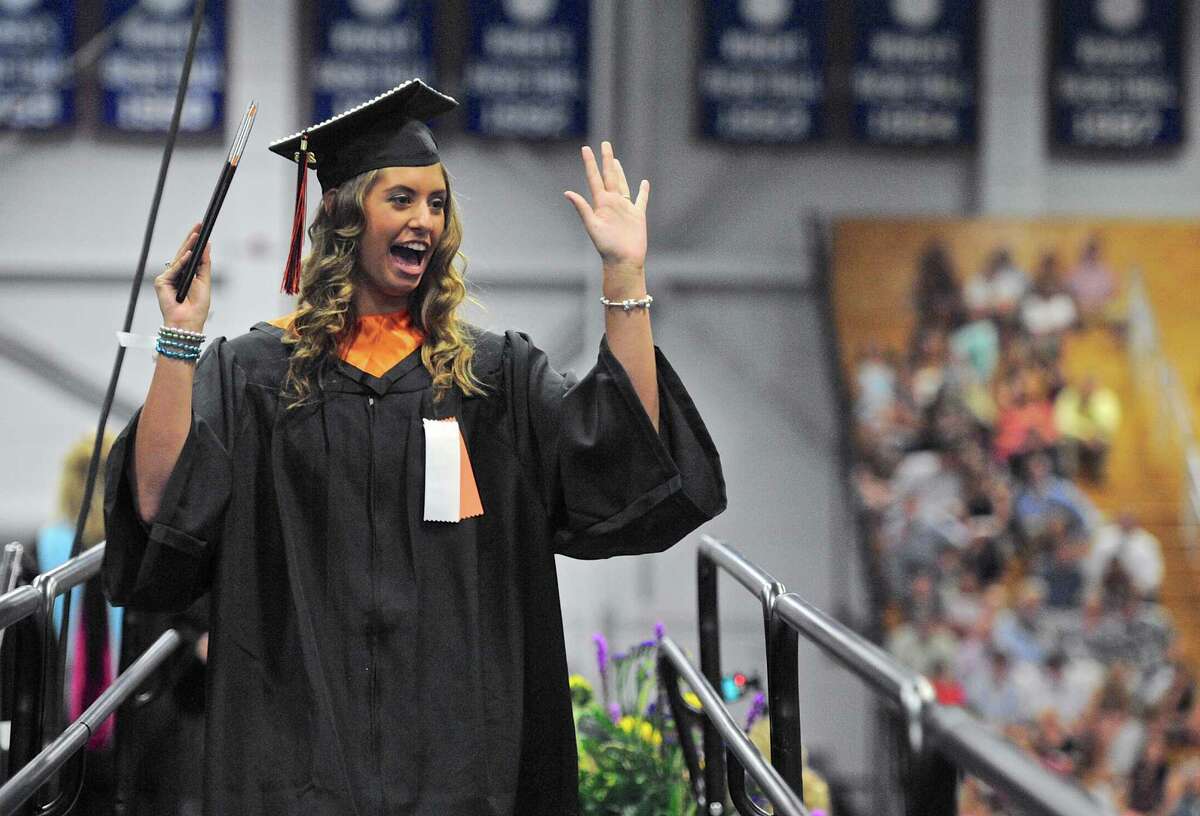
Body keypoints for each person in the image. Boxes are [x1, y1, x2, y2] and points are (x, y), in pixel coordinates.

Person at [102, 80, 725, 815]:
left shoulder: (491, 377)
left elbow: (624, 458)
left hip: (461, 759)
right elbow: (160, 505)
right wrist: (179, 337)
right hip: (298, 750)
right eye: (401, 199)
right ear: (341, 214)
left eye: (436, 203)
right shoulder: (256, 375)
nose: (424, 220)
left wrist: (625, 275)